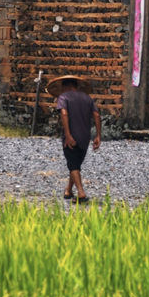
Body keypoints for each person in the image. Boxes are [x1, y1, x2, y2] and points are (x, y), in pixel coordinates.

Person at [52, 75, 101, 203]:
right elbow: (96, 115)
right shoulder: (87, 98)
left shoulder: (63, 97)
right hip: (85, 137)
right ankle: (68, 190)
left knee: (73, 165)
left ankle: (81, 193)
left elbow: (64, 113)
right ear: (76, 86)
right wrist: (98, 135)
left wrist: (68, 135)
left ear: (66, 86)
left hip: (71, 136)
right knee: (75, 165)